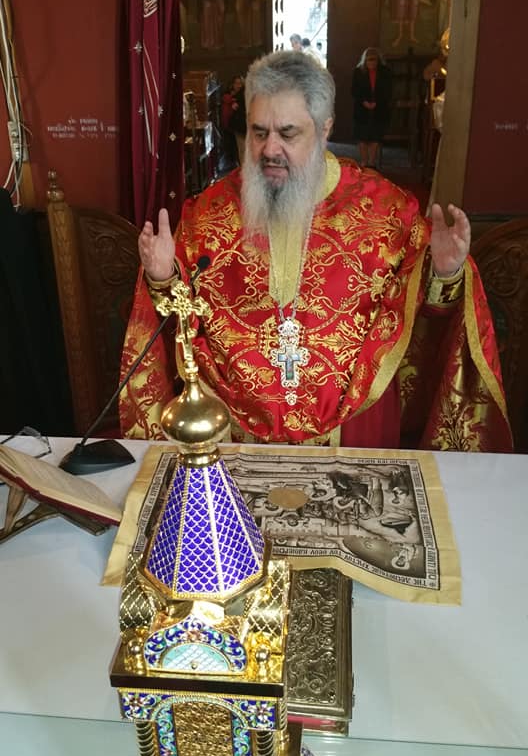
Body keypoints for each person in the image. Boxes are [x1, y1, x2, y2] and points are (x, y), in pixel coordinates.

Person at [121, 50, 511, 454]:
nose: (270, 149)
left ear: (325, 129)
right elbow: (179, 324)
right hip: (234, 435)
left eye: (288, 134)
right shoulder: (207, 214)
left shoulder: (387, 212)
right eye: (258, 132)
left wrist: (445, 274)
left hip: (355, 430)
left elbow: (425, 330)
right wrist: (162, 277)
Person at [351, 47, 393, 169]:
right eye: (369, 60)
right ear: (365, 61)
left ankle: (372, 163)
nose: (372, 63)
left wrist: (377, 102)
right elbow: (354, 90)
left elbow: (388, 90)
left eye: (374, 60)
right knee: (362, 136)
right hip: (361, 109)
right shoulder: (358, 72)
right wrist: (364, 101)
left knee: (375, 136)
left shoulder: (385, 72)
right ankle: (364, 162)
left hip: (379, 109)